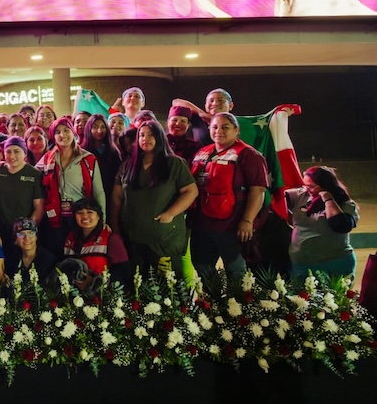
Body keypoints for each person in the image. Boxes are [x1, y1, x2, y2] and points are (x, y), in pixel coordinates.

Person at [110, 120, 198, 277]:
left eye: (151, 135)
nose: (146, 138)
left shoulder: (174, 163)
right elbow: (116, 199)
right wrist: (115, 228)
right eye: (142, 135)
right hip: (133, 238)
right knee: (137, 283)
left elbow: (191, 191)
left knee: (166, 286)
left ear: (160, 137)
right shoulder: (127, 166)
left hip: (164, 238)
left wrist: (170, 213)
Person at [189, 113, 269, 283]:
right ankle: (213, 298)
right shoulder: (202, 152)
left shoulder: (248, 155)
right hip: (202, 225)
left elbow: (258, 190)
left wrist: (247, 220)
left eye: (225, 127)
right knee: (202, 267)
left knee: (235, 270)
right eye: (215, 127)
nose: (219, 131)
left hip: (231, 226)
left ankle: (237, 299)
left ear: (236, 130)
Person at [38, 117, 106, 254]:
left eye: (66, 130)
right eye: (57, 132)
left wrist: (102, 220)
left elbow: (98, 191)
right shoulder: (47, 158)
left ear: (73, 131)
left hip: (81, 215)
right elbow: (31, 174)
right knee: (58, 254)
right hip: (56, 216)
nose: (62, 135)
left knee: (79, 254)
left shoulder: (88, 159)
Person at [286, 166, 360, 283]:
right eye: (305, 185)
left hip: (336, 263)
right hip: (303, 263)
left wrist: (328, 200)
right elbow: (276, 196)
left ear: (325, 185)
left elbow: (340, 225)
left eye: (311, 186)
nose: (307, 189)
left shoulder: (345, 203)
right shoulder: (301, 195)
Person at [54, 198, 130, 295]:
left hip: (102, 295)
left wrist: (95, 281)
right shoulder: (69, 239)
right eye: (79, 212)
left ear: (98, 216)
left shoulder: (111, 239)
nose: (85, 216)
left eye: (90, 212)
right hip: (74, 295)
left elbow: (122, 272)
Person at [0, 136, 43, 256]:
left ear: (25, 153)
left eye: (17, 151)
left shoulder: (34, 174)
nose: (12, 156)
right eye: (8, 152)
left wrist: (27, 232)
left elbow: (39, 207)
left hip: (22, 234)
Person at [79, 113, 121, 212]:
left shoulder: (113, 151)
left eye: (103, 127)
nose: (99, 131)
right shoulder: (82, 151)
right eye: (95, 127)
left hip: (109, 193)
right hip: (87, 195)